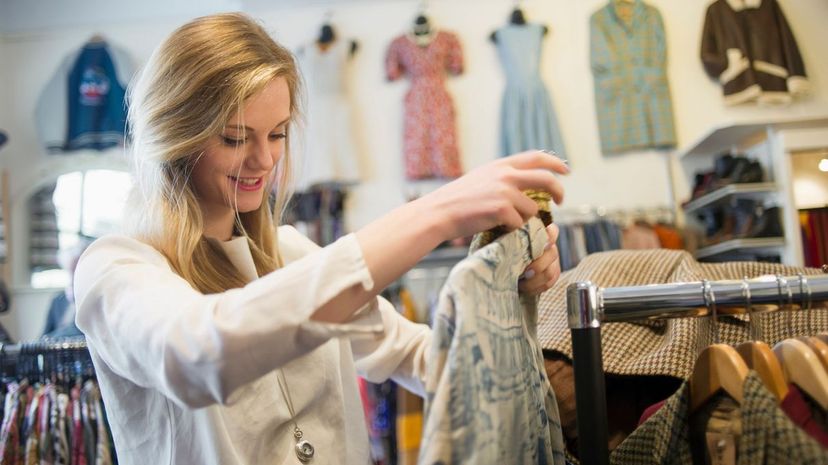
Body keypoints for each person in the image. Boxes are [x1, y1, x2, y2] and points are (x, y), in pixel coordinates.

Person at [73, 12, 568, 465]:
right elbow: (201, 354)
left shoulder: (291, 254)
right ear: (175, 135)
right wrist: (435, 213)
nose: (264, 161)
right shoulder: (116, 271)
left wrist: (506, 288)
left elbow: (422, 358)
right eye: (234, 137)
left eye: (278, 134)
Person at [41, 238, 92, 338]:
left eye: (77, 269)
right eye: (70, 270)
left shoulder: (92, 298)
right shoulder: (57, 300)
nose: (73, 276)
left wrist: (52, 339)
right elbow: (42, 338)